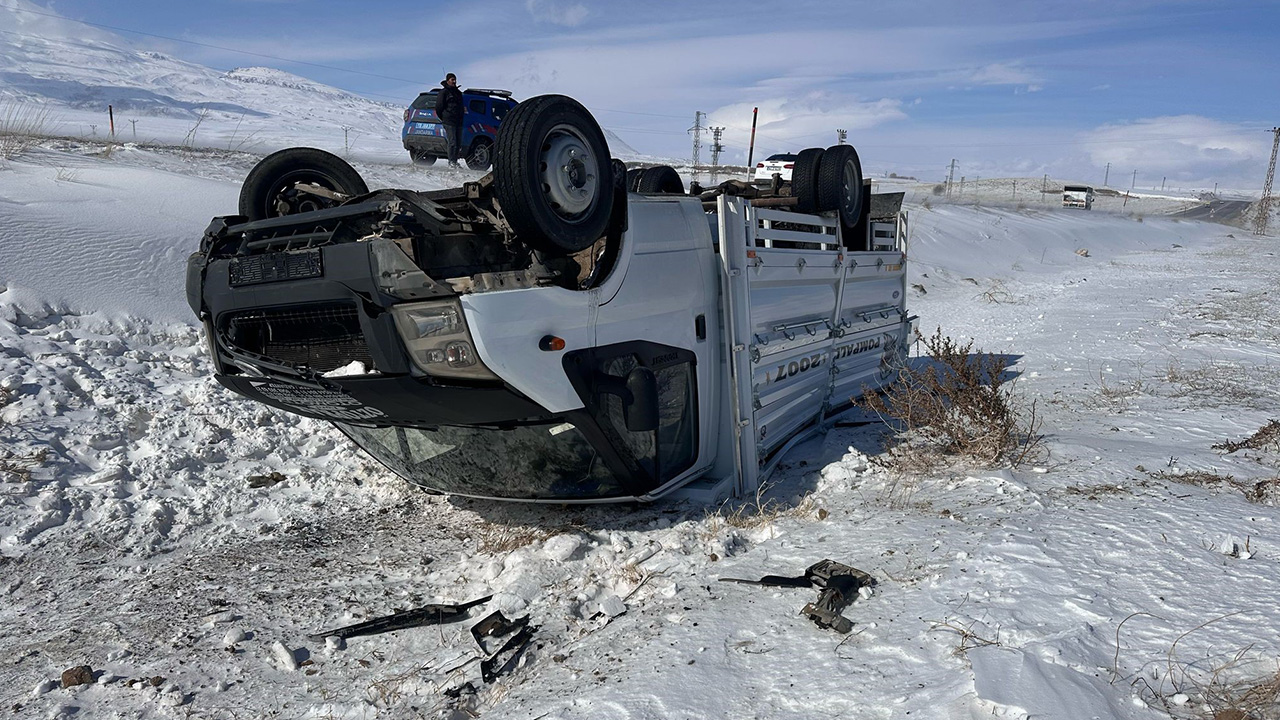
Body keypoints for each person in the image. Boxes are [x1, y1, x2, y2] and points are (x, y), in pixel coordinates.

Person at [434, 73, 464, 168]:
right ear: (447, 81)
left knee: (458, 142)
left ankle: (455, 161)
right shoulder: (444, 92)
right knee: (452, 141)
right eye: (452, 79)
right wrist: (444, 117)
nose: (454, 81)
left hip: (458, 121)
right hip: (448, 120)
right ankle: (451, 161)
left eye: (455, 79)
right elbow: (439, 107)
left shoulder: (458, 93)